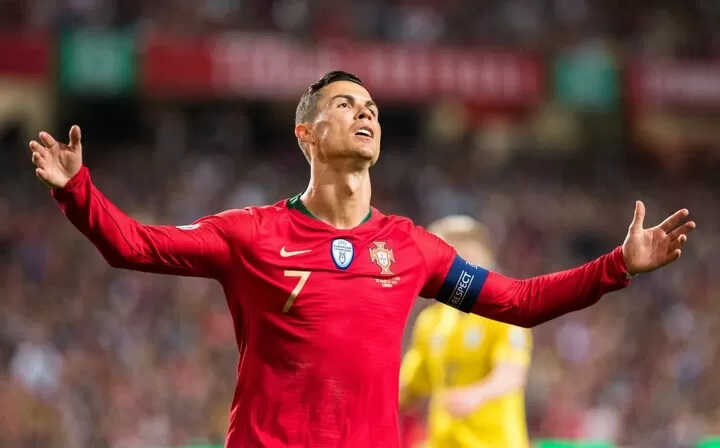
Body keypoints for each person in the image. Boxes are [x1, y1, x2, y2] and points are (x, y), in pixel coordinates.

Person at [28, 71, 695, 448]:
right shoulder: (252, 234)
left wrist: (620, 266)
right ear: (306, 133)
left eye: (371, 106)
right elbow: (133, 245)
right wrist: (77, 192)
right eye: (345, 104)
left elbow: (516, 303)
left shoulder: (412, 249)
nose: (365, 112)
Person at [400, 215, 532, 448]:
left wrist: (477, 395)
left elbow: (511, 375)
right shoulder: (430, 322)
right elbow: (409, 387)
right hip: (443, 442)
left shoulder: (506, 314)